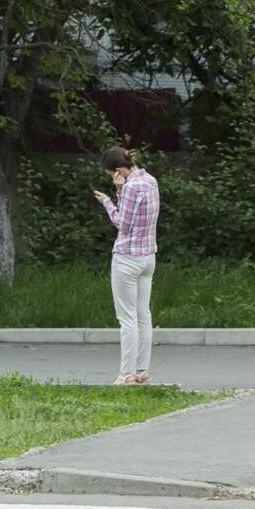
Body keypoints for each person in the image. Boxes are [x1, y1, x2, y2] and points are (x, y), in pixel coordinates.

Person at [93, 146, 158, 385]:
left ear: (119, 169)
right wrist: (120, 189)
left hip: (127, 258)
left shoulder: (131, 187)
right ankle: (142, 371)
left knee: (127, 318)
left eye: (111, 174)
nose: (112, 177)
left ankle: (126, 373)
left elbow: (123, 223)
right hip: (148, 257)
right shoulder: (151, 181)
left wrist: (108, 201)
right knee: (143, 315)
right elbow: (137, 215)